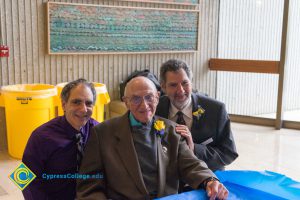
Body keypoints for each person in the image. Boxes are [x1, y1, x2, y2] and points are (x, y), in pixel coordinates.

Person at [77, 76, 228, 200]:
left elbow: (191, 164)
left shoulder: (171, 131)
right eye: (136, 99)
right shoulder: (103, 133)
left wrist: (209, 180)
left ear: (157, 97)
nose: (144, 105)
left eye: (149, 97)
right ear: (126, 102)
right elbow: (90, 183)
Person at [22, 78, 99, 200]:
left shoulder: (98, 131)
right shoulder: (41, 137)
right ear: (64, 104)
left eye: (88, 103)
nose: (83, 109)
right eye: (76, 102)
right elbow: (23, 177)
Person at [156, 59, 238, 172]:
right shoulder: (155, 109)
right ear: (164, 87)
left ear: (191, 82)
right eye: (173, 85)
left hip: (206, 174)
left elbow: (229, 153)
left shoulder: (215, 110)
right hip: (167, 175)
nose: (180, 90)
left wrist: (194, 149)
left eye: (185, 83)